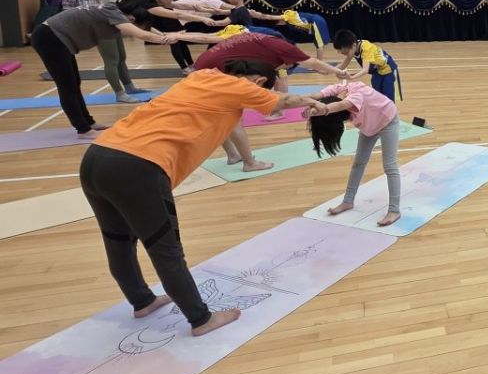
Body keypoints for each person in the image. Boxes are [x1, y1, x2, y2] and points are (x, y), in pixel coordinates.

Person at [79, 60, 322, 336]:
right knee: (166, 250)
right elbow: (284, 100)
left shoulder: (203, 77)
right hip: (138, 168)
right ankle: (200, 319)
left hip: (97, 156)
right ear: (258, 82)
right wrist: (316, 101)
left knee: (118, 240)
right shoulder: (240, 87)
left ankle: (142, 301)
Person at [191, 32, 350, 168]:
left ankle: (233, 155)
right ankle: (250, 163)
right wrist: (338, 71)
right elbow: (312, 63)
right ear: (289, 59)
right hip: (214, 69)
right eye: (287, 67)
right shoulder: (287, 49)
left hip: (203, 66)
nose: (284, 69)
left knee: (220, 113)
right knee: (233, 116)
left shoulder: (263, 41)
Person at [31, 0, 176, 135]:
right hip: (49, 38)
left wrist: (166, 35)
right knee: (67, 86)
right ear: (131, 19)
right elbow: (142, 34)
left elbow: (145, 30)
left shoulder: (114, 9)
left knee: (74, 83)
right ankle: (83, 130)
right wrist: (167, 39)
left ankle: (89, 123)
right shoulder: (114, 14)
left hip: (55, 37)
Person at [307, 81, 404, 227]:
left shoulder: (356, 96)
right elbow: (317, 95)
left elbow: (340, 105)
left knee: (390, 166)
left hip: (387, 121)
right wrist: (307, 103)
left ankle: (394, 210)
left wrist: (322, 110)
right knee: (358, 162)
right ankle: (348, 201)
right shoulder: (339, 89)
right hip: (369, 125)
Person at [333, 30, 401, 101]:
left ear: (353, 46)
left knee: (388, 99)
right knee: (377, 97)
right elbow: (343, 65)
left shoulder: (366, 48)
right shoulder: (353, 47)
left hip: (388, 70)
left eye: (345, 52)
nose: (344, 54)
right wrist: (332, 71)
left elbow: (365, 69)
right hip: (376, 72)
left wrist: (351, 77)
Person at [97, 36, 152, 104]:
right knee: (111, 60)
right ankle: (120, 94)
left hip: (114, 29)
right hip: (101, 31)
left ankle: (130, 88)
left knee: (121, 57)